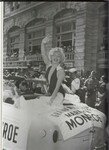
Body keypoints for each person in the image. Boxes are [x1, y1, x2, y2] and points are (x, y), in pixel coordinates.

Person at [41, 35, 65, 106]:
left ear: (61, 59)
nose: (56, 57)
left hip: (58, 94)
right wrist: (43, 43)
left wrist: (51, 100)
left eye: (58, 56)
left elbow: (57, 88)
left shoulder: (61, 71)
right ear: (51, 57)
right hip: (50, 93)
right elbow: (43, 54)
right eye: (54, 55)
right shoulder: (49, 65)